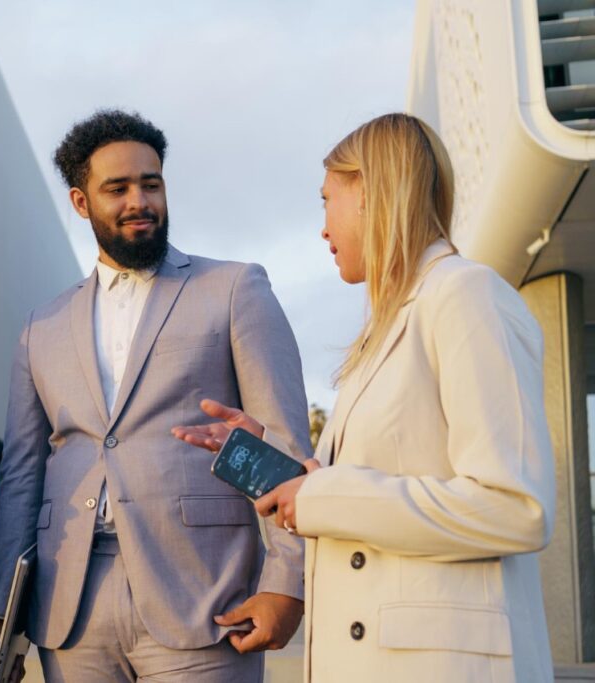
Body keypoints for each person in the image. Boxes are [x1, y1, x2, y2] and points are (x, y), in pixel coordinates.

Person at [174, 113, 556, 682]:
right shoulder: (389, 327)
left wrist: (324, 495)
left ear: (372, 194)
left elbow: (515, 508)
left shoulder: (466, 296)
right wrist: (283, 465)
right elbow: (377, 481)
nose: (322, 228)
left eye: (326, 200)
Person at [0, 110, 312, 683]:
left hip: (205, 596)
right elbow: (21, 479)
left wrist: (287, 584)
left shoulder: (235, 288)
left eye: (151, 184)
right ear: (81, 202)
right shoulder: (41, 327)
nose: (140, 201)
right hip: (71, 607)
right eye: (118, 189)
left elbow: (284, 442)